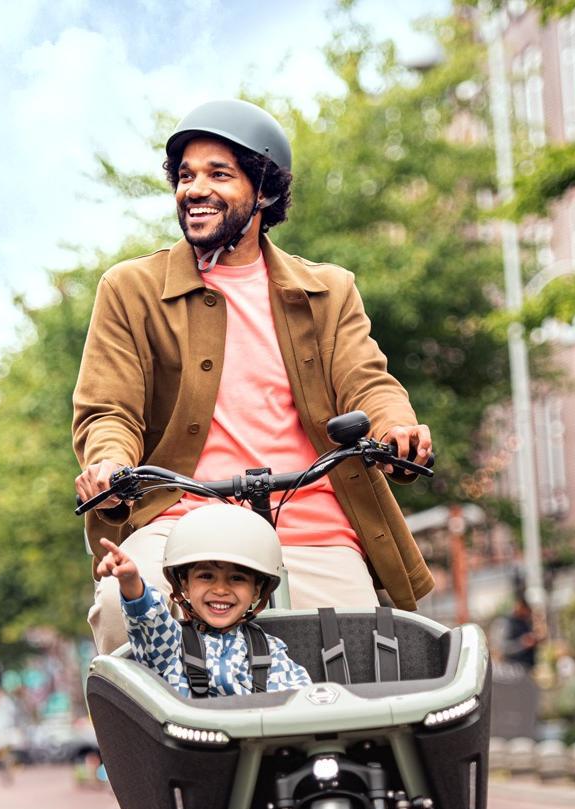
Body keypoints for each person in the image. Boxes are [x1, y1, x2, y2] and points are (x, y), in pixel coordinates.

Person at [74, 99, 433, 654]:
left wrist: (395, 427)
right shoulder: (130, 289)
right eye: (186, 175)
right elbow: (109, 410)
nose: (194, 189)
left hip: (312, 523)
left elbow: (368, 380)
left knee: (366, 656)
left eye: (219, 174)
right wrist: (109, 465)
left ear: (263, 191)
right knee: (125, 614)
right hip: (183, 521)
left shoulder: (327, 290)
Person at [95, 505, 311, 698]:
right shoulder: (171, 645)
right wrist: (130, 580)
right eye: (206, 576)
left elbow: (299, 702)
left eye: (237, 579)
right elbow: (149, 620)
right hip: (192, 741)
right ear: (185, 584)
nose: (220, 589)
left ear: (256, 591)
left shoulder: (270, 650)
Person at [502, 596, 541, 671]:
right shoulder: (508, 623)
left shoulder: (525, 622)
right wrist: (522, 643)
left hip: (528, 666)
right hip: (515, 668)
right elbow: (505, 648)